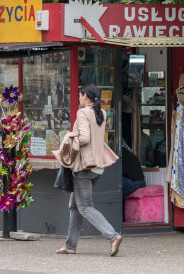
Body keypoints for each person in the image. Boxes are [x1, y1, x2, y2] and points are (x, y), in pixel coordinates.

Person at [55, 84, 122, 257]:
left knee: (84, 206)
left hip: (84, 166)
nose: (78, 98)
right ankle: (70, 245)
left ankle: (113, 236)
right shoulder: (102, 113)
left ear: (85, 96)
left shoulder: (83, 113)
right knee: (75, 206)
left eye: (79, 95)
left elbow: (84, 138)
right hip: (98, 166)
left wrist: (69, 135)